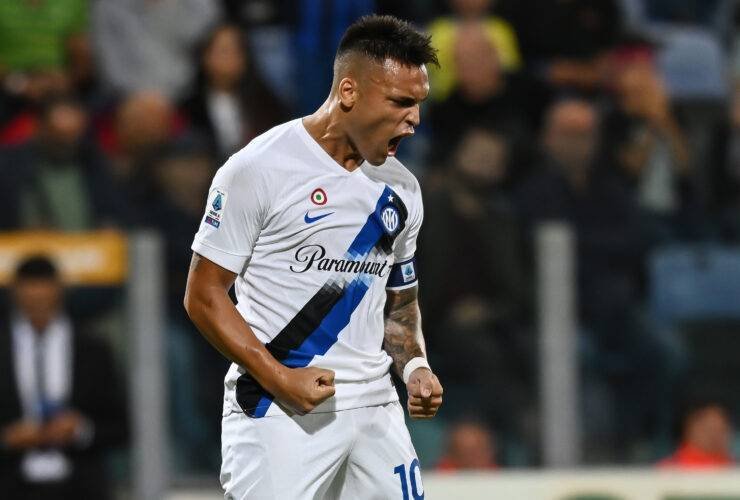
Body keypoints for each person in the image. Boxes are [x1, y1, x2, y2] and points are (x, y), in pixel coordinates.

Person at [184, 15, 444, 498]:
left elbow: (400, 300)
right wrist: (280, 378)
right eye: (400, 102)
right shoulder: (259, 168)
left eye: (419, 103)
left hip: (375, 407)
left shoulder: (402, 189)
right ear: (349, 91)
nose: (414, 120)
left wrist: (414, 367)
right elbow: (203, 296)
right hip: (278, 410)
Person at [0, 255, 128, 499]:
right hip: (10, 485)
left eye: (43, 294)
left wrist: (80, 430)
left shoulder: (93, 349)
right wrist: (7, 438)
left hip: (80, 487)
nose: (38, 301)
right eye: (31, 295)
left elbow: (121, 427)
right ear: (15, 293)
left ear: (60, 291)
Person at [659, 399, 734, 468]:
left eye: (720, 430)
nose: (714, 436)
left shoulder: (733, 468)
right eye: (708, 429)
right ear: (688, 428)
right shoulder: (668, 470)